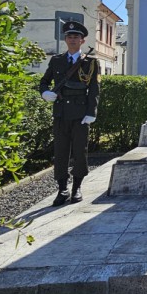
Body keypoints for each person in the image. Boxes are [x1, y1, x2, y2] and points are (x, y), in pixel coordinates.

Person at [39, 20, 100, 206]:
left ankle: (77, 187)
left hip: (81, 114)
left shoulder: (90, 62)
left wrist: (92, 111)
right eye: (69, 36)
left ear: (82, 41)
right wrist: (45, 93)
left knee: (80, 151)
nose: (72, 39)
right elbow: (44, 81)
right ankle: (62, 188)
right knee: (61, 151)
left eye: (76, 37)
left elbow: (95, 89)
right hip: (61, 113)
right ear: (65, 39)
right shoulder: (57, 60)